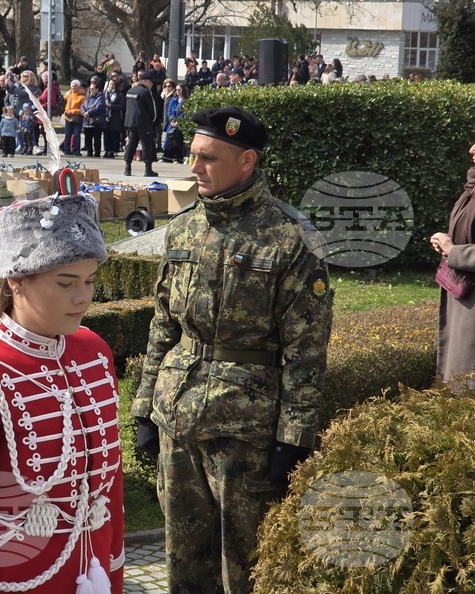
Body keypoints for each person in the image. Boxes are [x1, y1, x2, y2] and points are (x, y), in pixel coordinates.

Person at [131, 106, 332, 594]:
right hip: (177, 419)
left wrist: (294, 439)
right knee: (183, 564)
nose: (194, 168)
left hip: (246, 433)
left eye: (208, 159)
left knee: (243, 567)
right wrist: (143, 407)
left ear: (247, 161)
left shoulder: (292, 238)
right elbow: (163, 325)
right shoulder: (182, 229)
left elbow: (307, 350)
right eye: (193, 156)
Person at [0, 181, 124, 593]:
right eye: (66, 283)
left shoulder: (94, 351)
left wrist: (113, 575)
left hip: (92, 573)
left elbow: (108, 487)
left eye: (89, 280)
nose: (82, 297)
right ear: (16, 281)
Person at [431, 119, 475, 390]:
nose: (471, 150)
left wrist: (453, 250)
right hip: (463, 295)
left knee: (470, 383)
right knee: (456, 378)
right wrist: (446, 243)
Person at [123, 71, 158, 177]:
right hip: (143, 123)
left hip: (131, 123)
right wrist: (152, 121)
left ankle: (127, 168)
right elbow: (153, 111)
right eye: (150, 82)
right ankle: (148, 169)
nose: (151, 85)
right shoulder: (145, 92)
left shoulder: (130, 91)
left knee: (131, 145)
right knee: (146, 145)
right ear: (144, 81)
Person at [81, 76, 107, 158]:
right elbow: (83, 106)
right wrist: (84, 112)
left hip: (96, 122)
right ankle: (89, 152)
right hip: (87, 122)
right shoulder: (88, 97)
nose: (91, 90)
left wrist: (89, 113)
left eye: (92, 89)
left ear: (97, 89)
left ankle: (97, 153)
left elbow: (99, 107)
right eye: (90, 89)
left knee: (97, 139)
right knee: (88, 139)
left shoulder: (100, 97)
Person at [62, 79, 85, 156]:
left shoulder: (82, 96)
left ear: (79, 87)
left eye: (75, 86)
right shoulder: (68, 94)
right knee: (67, 135)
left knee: (76, 135)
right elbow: (64, 104)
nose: (73, 88)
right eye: (72, 86)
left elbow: (82, 109)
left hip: (77, 118)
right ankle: (67, 150)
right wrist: (65, 112)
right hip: (67, 118)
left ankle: (76, 151)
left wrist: (72, 112)